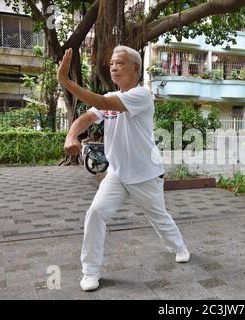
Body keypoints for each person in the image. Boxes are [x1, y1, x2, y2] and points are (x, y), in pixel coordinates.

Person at [57, 46, 190, 292]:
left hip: (145, 174)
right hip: (116, 174)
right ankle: (90, 272)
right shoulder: (110, 98)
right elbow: (85, 118)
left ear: (135, 69)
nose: (113, 68)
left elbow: (102, 102)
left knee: (159, 218)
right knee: (96, 212)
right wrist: (71, 135)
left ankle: (179, 247)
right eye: (111, 64)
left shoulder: (141, 95)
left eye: (119, 63)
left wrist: (65, 81)